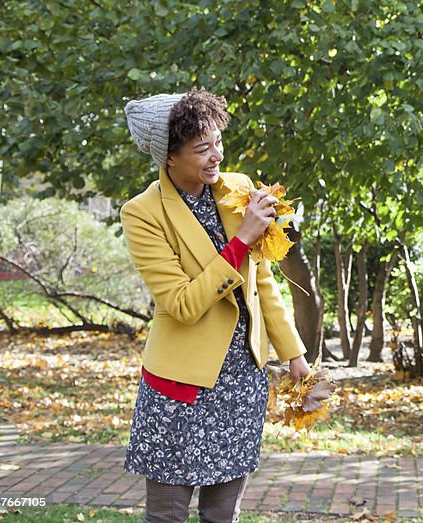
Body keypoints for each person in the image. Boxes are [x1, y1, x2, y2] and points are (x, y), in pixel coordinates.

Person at [121, 88, 311, 523]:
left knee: (222, 516)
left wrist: (294, 355)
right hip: (179, 388)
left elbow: (262, 283)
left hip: (242, 382)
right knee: (167, 515)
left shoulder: (237, 190)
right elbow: (183, 304)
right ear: (168, 156)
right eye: (202, 148)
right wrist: (241, 240)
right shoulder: (143, 213)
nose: (216, 156)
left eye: (218, 142)